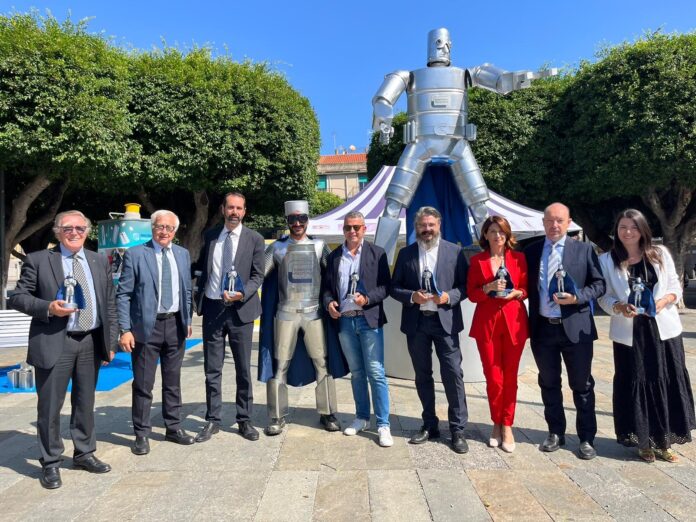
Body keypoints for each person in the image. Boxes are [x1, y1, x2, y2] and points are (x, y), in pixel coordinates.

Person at [9, 210, 118, 489]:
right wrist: (48, 307)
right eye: (68, 228)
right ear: (57, 231)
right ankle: (51, 462)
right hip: (54, 341)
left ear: (87, 231)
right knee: (50, 406)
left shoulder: (98, 260)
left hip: (90, 340)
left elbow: (109, 302)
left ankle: (84, 453)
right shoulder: (38, 260)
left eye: (80, 228)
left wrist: (110, 342)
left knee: (85, 402)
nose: (74, 233)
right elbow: (18, 297)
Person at [597, 209, 695, 462]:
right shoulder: (607, 260)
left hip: (663, 331)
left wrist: (663, 301)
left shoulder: (659, 253)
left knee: (666, 382)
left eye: (633, 227)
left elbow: (674, 285)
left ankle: (665, 441)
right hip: (630, 333)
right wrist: (619, 307)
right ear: (616, 231)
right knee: (636, 382)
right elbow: (604, 297)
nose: (628, 232)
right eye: (622, 227)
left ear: (643, 230)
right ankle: (643, 442)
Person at [524, 202, 605, 460]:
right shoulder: (531, 251)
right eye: (549, 220)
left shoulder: (583, 250)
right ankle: (555, 432)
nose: (554, 225)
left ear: (569, 223)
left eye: (559, 220)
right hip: (543, 329)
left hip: (576, 328)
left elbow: (599, 284)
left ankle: (586, 438)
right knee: (549, 383)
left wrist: (577, 297)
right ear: (543, 223)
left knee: (582, 385)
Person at [259, 200, 345, 436]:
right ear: (287, 221)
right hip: (285, 313)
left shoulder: (319, 246)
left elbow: (334, 274)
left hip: (314, 312)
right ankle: (276, 415)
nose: (297, 223)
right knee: (280, 365)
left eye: (302, 219)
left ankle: (328, 413)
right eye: (293, 219)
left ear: (308, 220)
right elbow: (258, 274)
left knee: (322, 363)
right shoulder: (276, 248)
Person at [390, 206, 470, 454]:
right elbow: (394, 287)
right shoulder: (406, 254)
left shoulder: (455, 252)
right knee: (422, 375)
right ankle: (429, 424)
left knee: (453, 375)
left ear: (439, 226)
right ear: (416, 227)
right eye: (422, 225)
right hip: (417, 323)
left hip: (445, 322)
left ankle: (457, 429)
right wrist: (411, 296)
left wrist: (448, 297)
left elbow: (466, 286)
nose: (427, 230)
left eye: (431, 225)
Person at [116, 210, 195, 455]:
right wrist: (125, 329)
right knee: (143, 383)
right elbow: (124, 294)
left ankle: (173, 426)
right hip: (145, 329)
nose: (164, 232)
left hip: (175, 326)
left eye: (169, 228)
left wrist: (187, 318)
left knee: (173, 381)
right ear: (152, 228)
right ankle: (141, 433)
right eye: (160, 226)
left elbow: (186, 290)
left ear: (175, 231)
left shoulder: (182, 254)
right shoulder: (136, 254)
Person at [192, 192, 265, 443]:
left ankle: (244, 419)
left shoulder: (254, 239)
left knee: (243, 369)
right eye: (230, 207)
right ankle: (213, 419)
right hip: (213, 309)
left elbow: (258, 275)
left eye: (239, 208)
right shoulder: (210, 236)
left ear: (244, 211)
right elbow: (201, 268)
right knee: (212, 369)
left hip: (240, 312)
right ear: (223, 209)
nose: (234, 212)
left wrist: (243, 293)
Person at [322, 211, 393, 447]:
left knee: (376, 372)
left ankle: (383, 424)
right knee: (357, 372)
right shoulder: (334, 257)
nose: (352, 231)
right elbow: (327, 289)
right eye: (348, 227)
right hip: (345, 321)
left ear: (364, 229)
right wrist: (329, 303)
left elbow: (386, 287)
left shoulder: (377, 253)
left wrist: (368, 298)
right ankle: (362, 417)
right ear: (343, 230)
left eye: (356, 227)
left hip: (368, 319)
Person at [467, 216, 529, 452]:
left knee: (510, 377)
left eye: (501, 231)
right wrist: (488, 288)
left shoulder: (519, 258)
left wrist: (517, 293)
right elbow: (472, 294)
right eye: (492, 231)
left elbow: (525, 288)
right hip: (487, 325)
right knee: (494, 378)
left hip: (514, 324)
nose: (497, 236)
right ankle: (496, 422)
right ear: (485, 235)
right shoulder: (477, 261)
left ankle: (508, 425)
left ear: (508, 234)